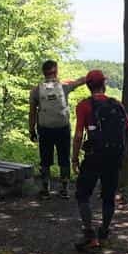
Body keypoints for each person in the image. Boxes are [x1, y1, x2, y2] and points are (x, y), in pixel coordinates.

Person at [72, 70, 128, 250]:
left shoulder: (84, 106)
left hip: (93, 157)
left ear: (88, 86)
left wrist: (74, 159)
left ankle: (90, 236)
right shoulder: (117, 104)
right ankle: (104, 233)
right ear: (104, 84)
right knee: (108, 197)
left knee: (83, 194)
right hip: (114, 157)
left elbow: (78, 136)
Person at [29, 60, 86, 199]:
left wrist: (32, 130)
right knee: (64, 158)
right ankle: (64, 189)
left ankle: (45, 188)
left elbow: (32, 113)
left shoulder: (36, 90)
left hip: (45, 128)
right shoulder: (64, 87)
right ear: (56, 72)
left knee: (45, 158)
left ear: (44, 73)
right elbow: (80, 81)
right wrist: (92, 77)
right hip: (62, 128)